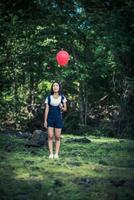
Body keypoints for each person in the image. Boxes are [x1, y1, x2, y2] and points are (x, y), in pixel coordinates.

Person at [44, 82, 67, 159]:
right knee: (50, 136)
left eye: (57, 85)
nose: (55, 87)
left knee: (57, 137)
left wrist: (61, 107)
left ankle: (56, 154)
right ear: (52, 88)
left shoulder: (62, 97)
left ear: (59, 87)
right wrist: (45, 121)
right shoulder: (48, 97)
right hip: (50, 118)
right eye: (54, 85)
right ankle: (51, 153)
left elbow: (65, 109)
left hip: (58, 119)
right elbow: (46, 109)